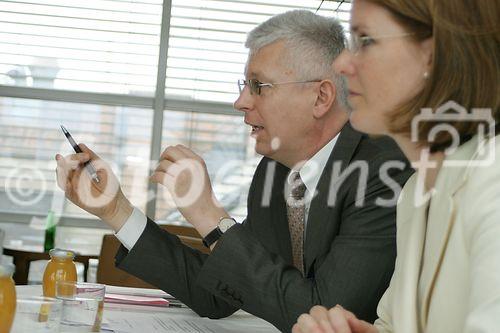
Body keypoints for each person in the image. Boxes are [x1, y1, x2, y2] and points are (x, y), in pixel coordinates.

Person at [55, 10, 413, 332]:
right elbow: (218, 294)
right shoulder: (275, 173)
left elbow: (322, 315)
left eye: (259, 85)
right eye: (244, 86)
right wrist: (117, 211)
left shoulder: (382, 172)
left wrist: (211, 216)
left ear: (321, 97)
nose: (241, 102)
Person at [292, 1, 499, 333]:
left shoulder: (493, 179)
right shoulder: (416, 192)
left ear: (437, 54)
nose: (342, 63)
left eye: (367, 40)